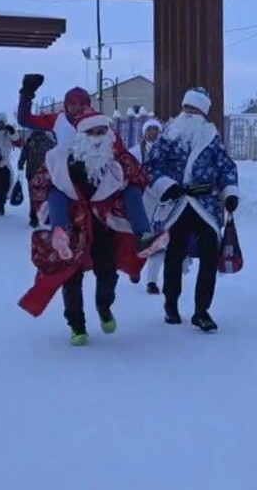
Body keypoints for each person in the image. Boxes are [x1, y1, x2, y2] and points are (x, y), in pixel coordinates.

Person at [17, 73, 163, 256]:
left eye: (81, 103)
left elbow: (119, 150)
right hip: (69, 175)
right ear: (66, 105)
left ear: (88, 104)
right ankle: (60, 233)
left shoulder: (99, 123)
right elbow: (25, 120)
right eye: (73, 104)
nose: (77, 108)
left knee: (131, 189)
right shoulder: (58, 120)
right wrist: (27, 93)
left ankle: (143, 234)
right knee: (56, 191)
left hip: (98, 179)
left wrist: (129, 172)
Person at [41, 111, 153, 344]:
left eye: (101, 132)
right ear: (81, 135)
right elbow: (46, 181)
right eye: (91, 132)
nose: (97, 137)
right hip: (75, 226)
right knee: (71, 276)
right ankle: (77, 326)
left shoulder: (116, 159)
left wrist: (126, 184)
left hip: (103, 225)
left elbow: (138, 177)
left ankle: (104, 307)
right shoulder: (65, 157)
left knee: (107, 274)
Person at [144, 87, 239, 332]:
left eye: (195, 109)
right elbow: (152, 165)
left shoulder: (211, 137)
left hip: (205, 204)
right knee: (174, 254)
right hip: (177, 203)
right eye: (187, 108)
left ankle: (201, 310)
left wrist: (230, 191)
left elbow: (226, 166)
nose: (189, 113)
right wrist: (166, 185)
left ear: (203, 112)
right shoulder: (168, 135)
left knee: (209, 256)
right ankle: (171, 304)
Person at [132, 117, 190, 294]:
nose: (153, 133)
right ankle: (149, 279)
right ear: (144, 132)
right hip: (148, 200)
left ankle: (172, 277)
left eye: (156, 130)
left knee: (173, 239)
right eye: (149, 130)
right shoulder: (136, 152)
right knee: (153, 240)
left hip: (171, 198)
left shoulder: (171, 151)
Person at [17, 129, 56, 227]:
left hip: (32, 173)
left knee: (33, 197)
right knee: (46, 196)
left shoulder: (30, 141)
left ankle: (34, 218)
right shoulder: (49, 141)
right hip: (46, 174)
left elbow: (23, 156)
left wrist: (20, 164)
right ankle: (46, 216)